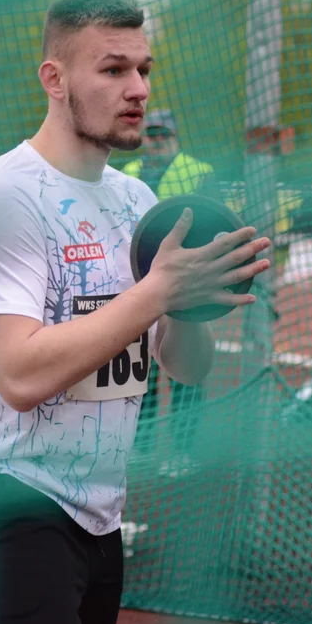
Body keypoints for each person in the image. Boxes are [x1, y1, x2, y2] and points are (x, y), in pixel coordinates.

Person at [0, 0, 272, 624]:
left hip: (97, 511)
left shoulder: (137, 199)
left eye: (143, 69)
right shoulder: (0, 197)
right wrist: (155, 292)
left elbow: (185, 367)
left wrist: (193, 303)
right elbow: (20, 375)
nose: (137, 88)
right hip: (0, 498)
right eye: (113, 70)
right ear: (54, 80)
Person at [120, 110, 216, 472]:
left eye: (164, 136)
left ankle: (183, 450)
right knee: (140, 371)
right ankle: (141, 448)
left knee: (185, 371)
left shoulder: (199, 171)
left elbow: (213, 223)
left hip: (186, 286)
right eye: (152, 135)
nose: (157, 142)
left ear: (175, 138)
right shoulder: (126, 174)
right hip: (137, 284)